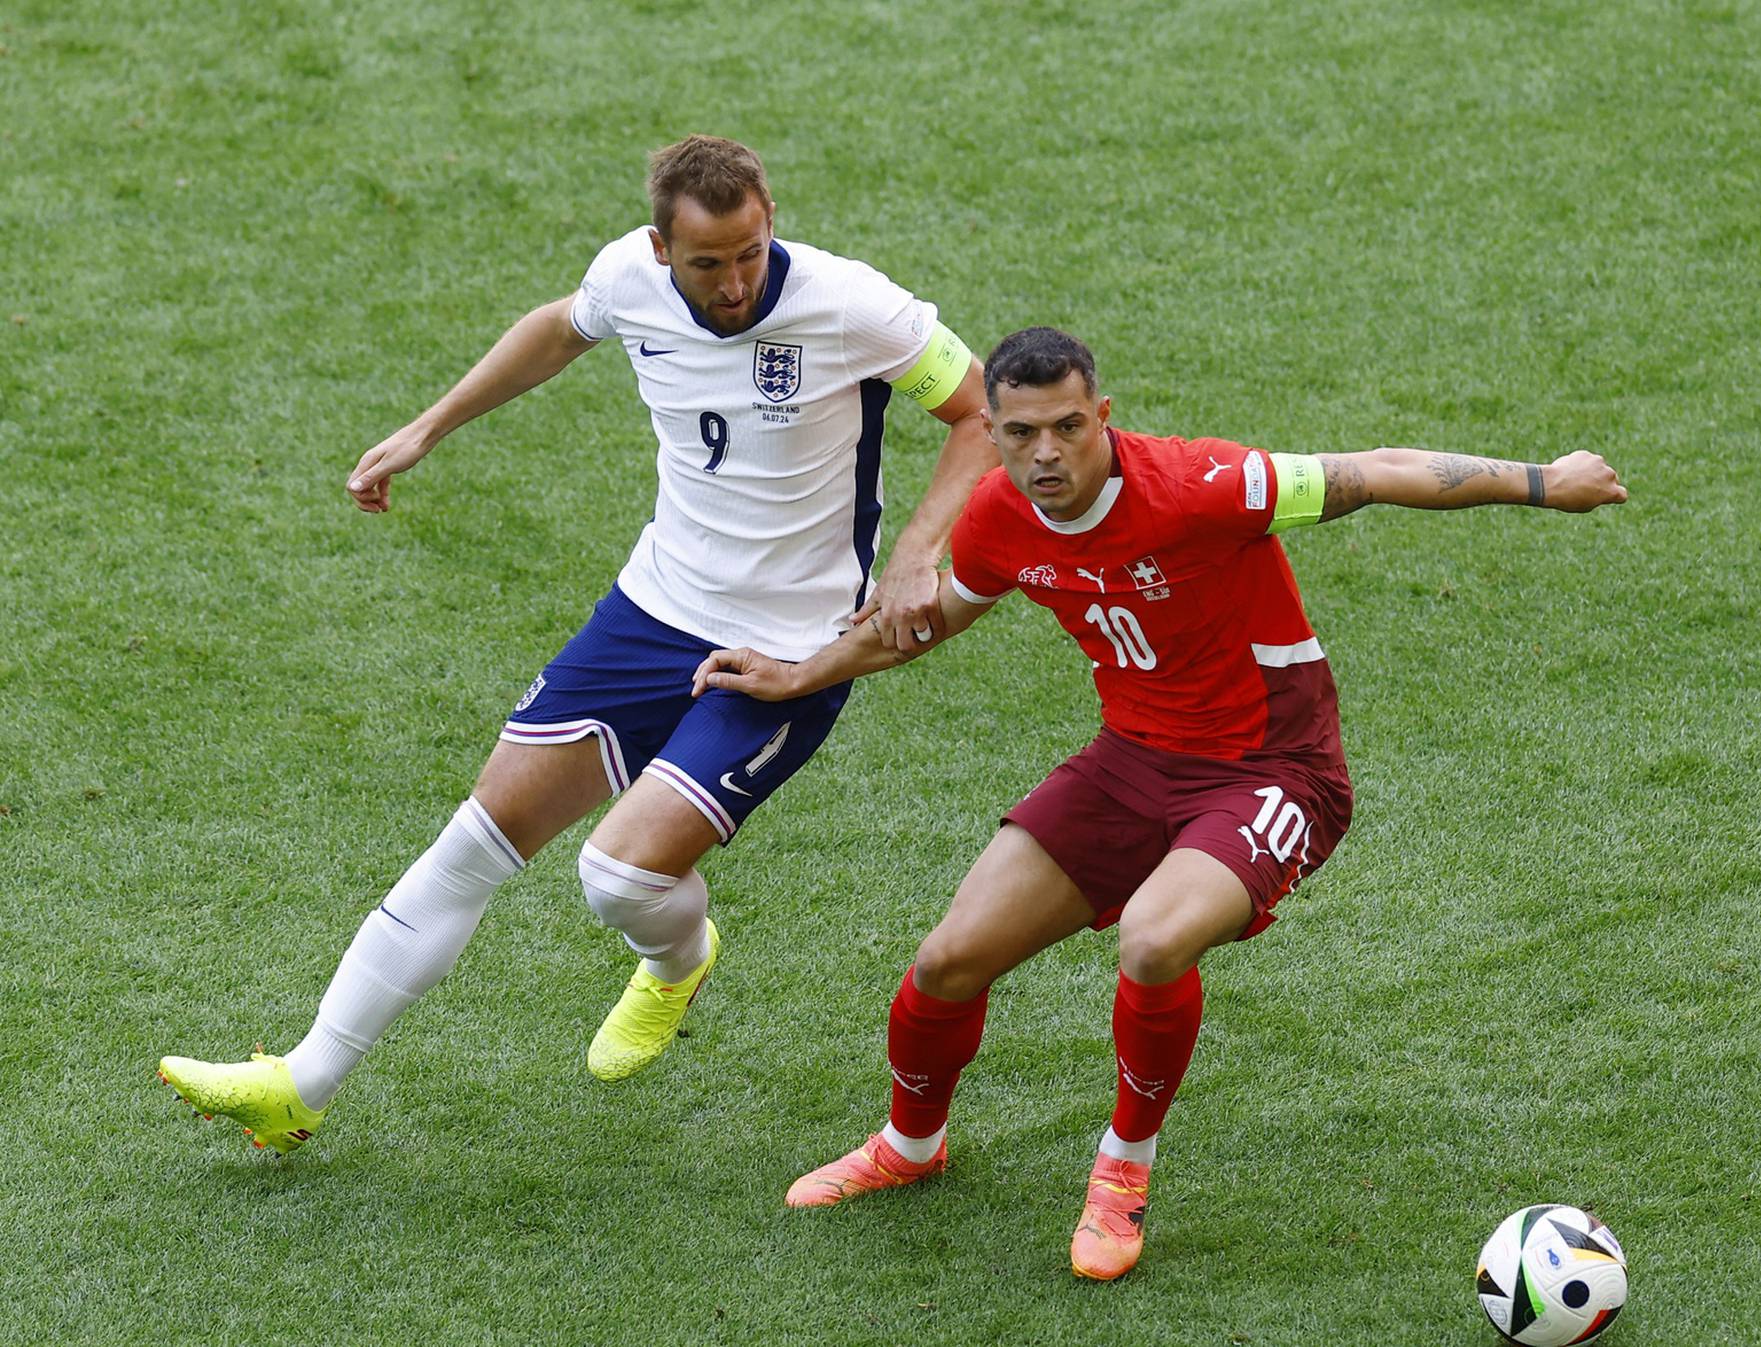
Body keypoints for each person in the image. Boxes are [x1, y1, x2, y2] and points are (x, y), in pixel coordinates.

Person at [693, 326, 1627, 1279]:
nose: (1045, 453)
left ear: (1103, 417)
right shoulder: (998, 518)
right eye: (1019, 434)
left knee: (1152, 937)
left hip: (1275, 768)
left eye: (1067, 426)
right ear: (996, 433)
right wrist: (797, 675)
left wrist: (1546, 480)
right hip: (1131, 761)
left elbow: (1376, 470)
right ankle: (909, 1144)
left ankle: (1122, 1170)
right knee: (947, 959)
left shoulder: (1204, 486)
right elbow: (921, 626)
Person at [157, 134, 997, 1154]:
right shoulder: (625, 279)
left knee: (620, 880)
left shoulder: (850, 302)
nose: (735, 284)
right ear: (658, 248)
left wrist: (917, 550)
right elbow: (559, 329)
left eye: (749, 252)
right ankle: (303, 1084)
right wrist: (429, 429)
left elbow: (980, 408)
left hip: (791, 647)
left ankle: (678, 957)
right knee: (478, 838)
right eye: (706, 264)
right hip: (651, 611)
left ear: (769, 217)